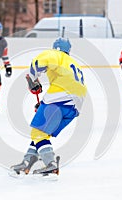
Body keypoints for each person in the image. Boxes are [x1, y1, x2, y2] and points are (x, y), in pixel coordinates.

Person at [10, 38, 87, 176]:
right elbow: (68, 82)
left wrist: (33, 80)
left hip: (60, 98)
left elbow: (37, 63)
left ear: (55, 47)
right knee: (43, 133)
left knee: (37, 133)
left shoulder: (56, 54)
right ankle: (28, 160)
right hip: (75, 105)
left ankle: (50, 164)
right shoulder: (73, 63)